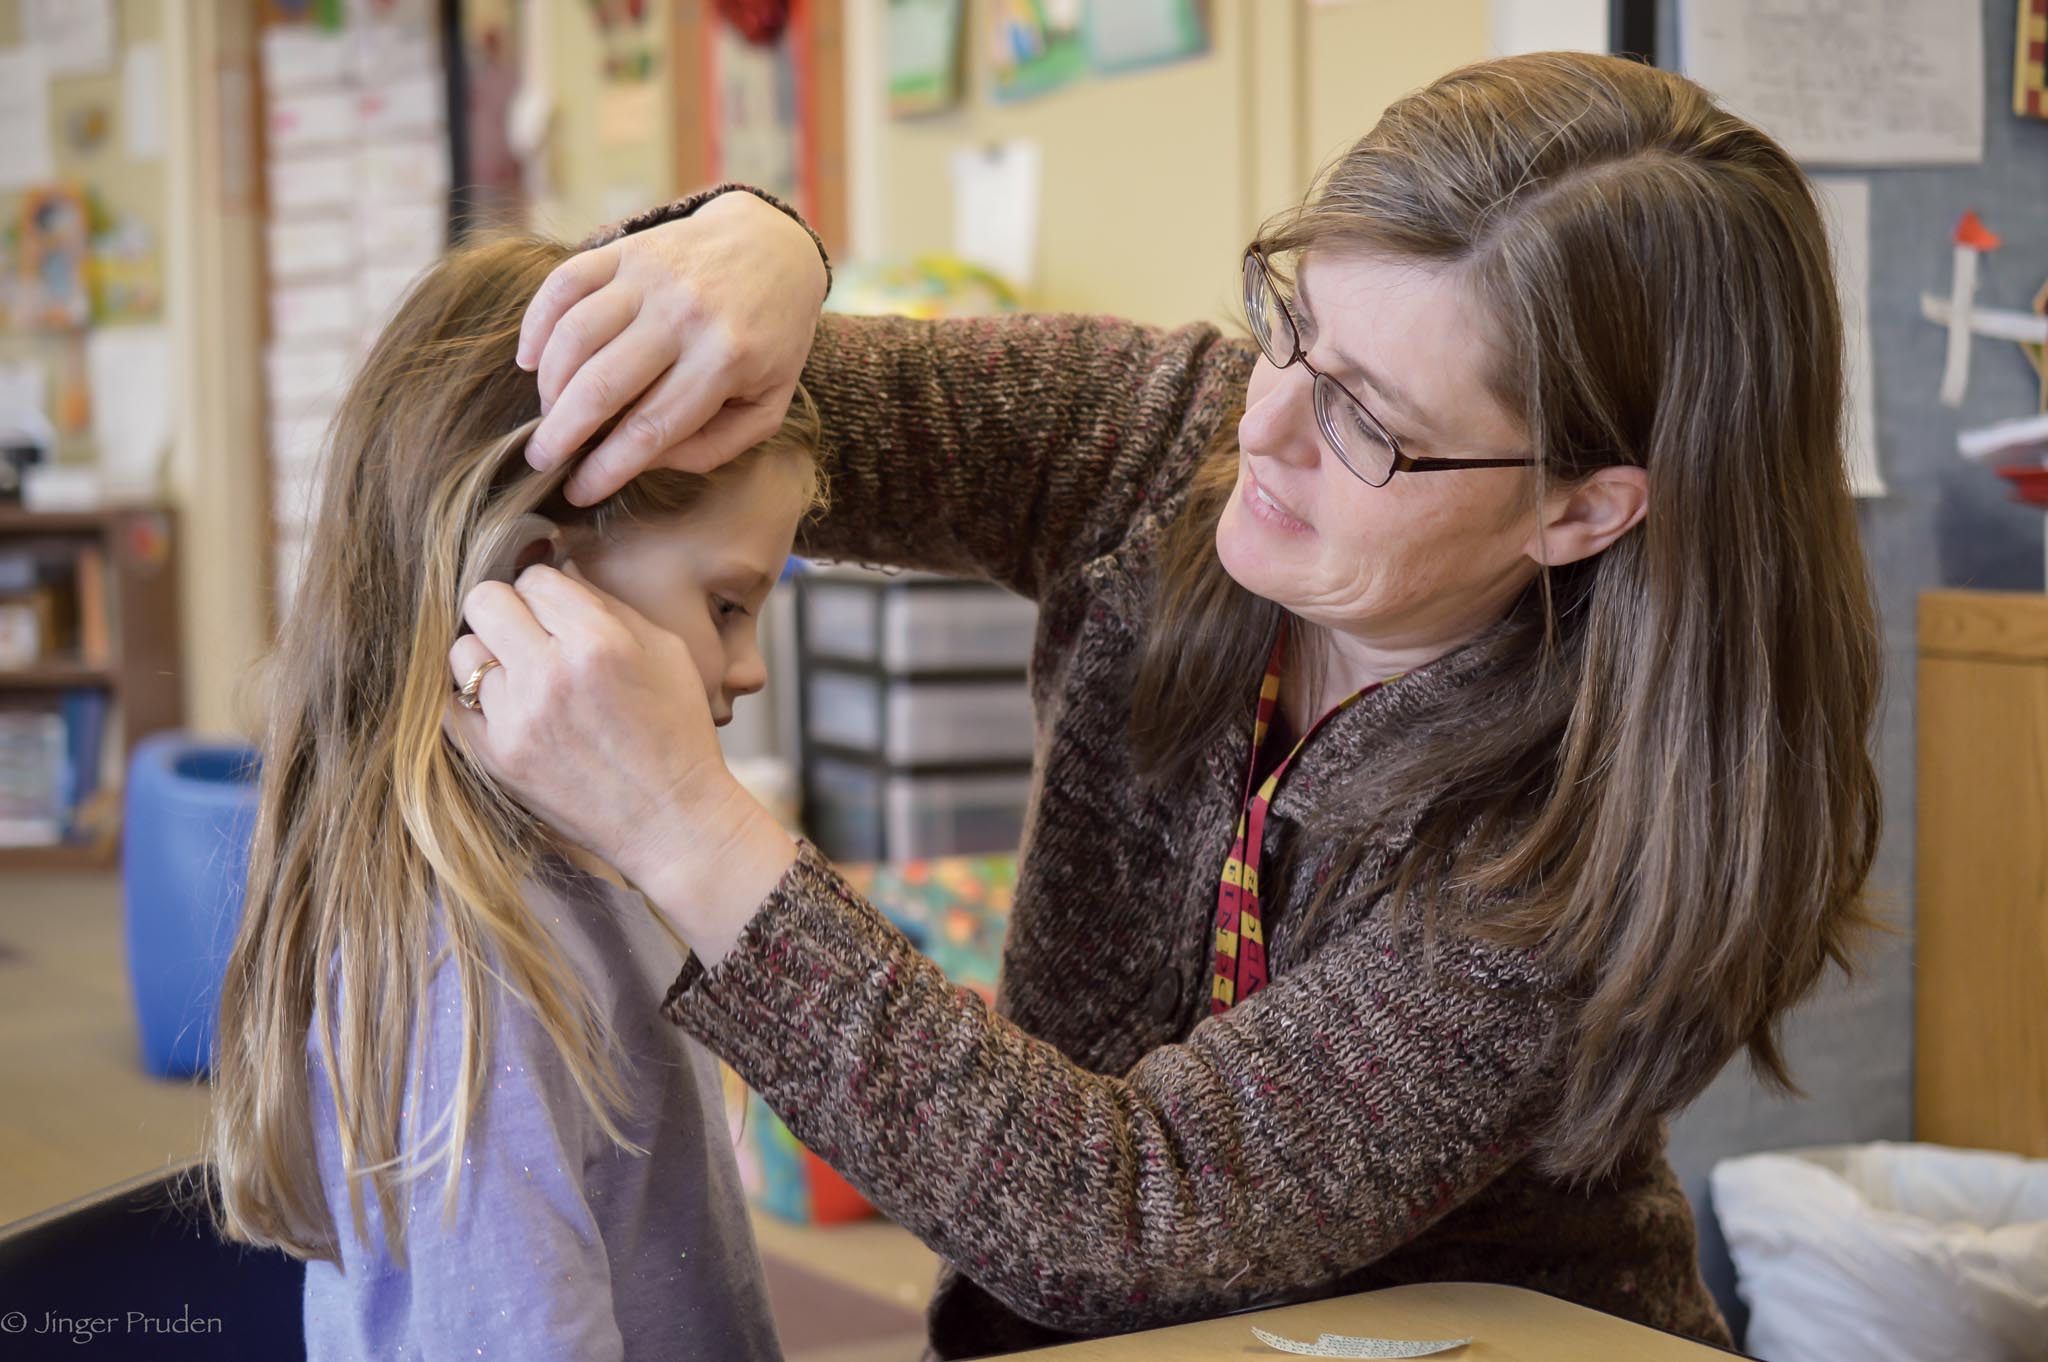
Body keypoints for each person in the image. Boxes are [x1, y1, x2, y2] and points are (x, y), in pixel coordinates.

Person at [448, 53, 1882, 1357]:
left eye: (1369, 422)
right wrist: (759, 252)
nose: (1259, 429)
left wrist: (686, 827)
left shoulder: (1595, 838)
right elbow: (655, 398)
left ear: (1583, 508)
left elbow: (1124, 1219)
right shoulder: (1169, 437)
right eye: (1288, 323)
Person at [205, 233, 825, 1362]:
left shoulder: (584, 860)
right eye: (728, 607)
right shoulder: (472, 969)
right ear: (535, 583)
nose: (749, 671)